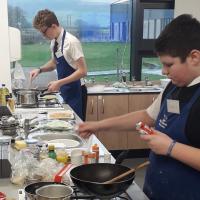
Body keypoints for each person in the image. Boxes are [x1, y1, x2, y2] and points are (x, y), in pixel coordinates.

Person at [78, 14, 200, 200]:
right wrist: (98, 125)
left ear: (194, 57)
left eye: (169, 64)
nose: (163, 71)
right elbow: (146, 116)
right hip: (156, 190)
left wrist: (170, 147)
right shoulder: (174, 86)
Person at [30, 9, 87, 120]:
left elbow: (83, 71)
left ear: (54, 26)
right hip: (65, 90)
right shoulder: (54, 42)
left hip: (77, 92)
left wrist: (59, 82)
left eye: (44, 31)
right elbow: (55, 62)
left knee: (75, 126)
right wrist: (39, 69)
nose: (43, 35)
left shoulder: (71, 42)